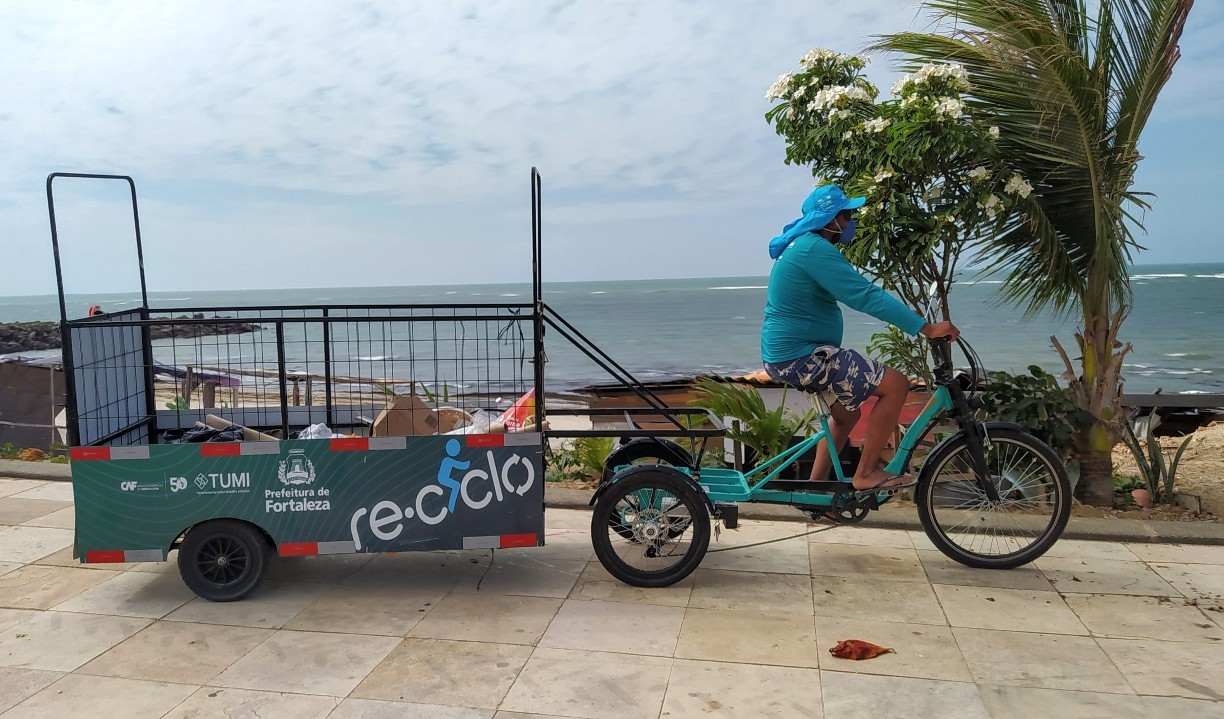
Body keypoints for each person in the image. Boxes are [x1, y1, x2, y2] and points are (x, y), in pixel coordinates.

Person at [761, 185, 959, 492]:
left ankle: (815, 492)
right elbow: (865, 296)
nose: (851, 221)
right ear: (831, 219)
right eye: (847, 214)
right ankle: (866, 474)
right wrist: (926, 328)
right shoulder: (814, 250)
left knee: (846, 416)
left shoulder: (805, 246)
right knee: (896, 385)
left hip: (794, 354)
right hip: (801, 356)